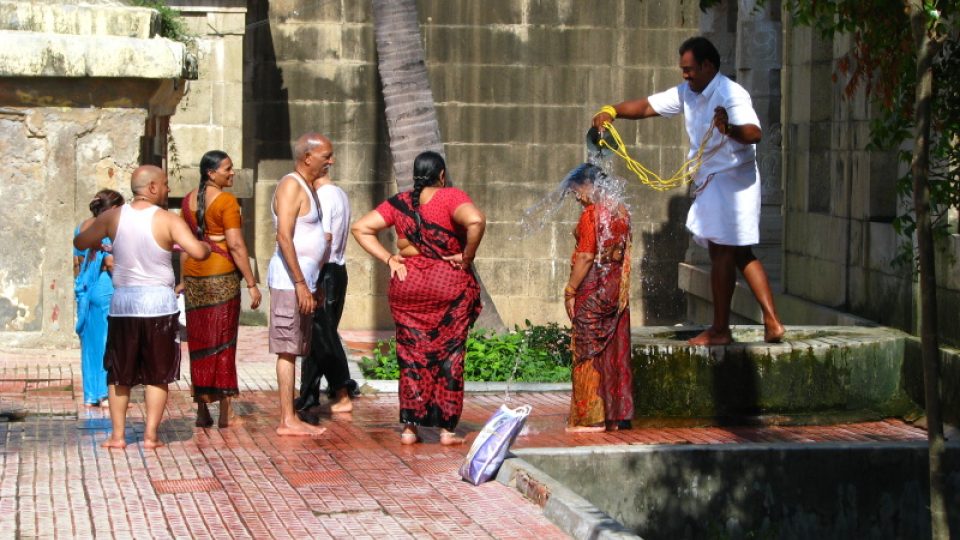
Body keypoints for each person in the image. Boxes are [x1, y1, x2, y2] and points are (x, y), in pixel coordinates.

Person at [592, 36, 785, 346]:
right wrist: (611, 111)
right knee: (739, 253)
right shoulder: (687, 93)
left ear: (708, 66)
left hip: (733, 180)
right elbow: (646, 107)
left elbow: (755, 133)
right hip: (712, 179)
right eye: (683, 70)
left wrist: (729, 129)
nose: (685, 75)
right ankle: (772, 322)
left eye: (690, 69)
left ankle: (721, 330)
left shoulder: (730, 93)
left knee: (723, 250)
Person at [352, 151, 485, 446]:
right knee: (449, 356)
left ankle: (410, 429)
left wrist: (389, 259)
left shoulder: (399, 202)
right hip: (446, 286)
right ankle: (446, 430)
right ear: (441, 175)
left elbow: (360, 227)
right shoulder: (450, 197)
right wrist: (466, 257)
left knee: (411, 356)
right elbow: (476, 221)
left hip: (407, 284)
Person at [74, 165, 210, 449]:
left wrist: (103, 238)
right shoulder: (167, 219)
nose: (168, 190)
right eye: (165, 185)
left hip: (123, 304)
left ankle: (118, 436)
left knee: (119, 374)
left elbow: (81, 240)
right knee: (157, 375)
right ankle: (150, 436)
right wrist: (208, 247)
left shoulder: (113, 217)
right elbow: (197, 252)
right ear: (151, 188)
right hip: (159, 305)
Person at [179, 150, 262, 428]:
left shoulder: (188, 200)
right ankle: (226, 411)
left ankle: (202, 410)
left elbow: (184, 245)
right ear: (211, 173)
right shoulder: (227, 201)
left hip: (194, 276)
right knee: (224, 342)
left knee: (200, 343)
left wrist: (182, 278)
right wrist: (251, 283)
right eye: (227, 169)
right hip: (221, 276)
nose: (232, 173)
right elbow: (236, 245)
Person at [561, 164, 635, 432]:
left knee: (586, 348)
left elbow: (585, 256)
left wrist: (570, 290)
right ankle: (615, 416)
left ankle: (591, 418)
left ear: (590, 186)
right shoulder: (622, 211)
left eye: (578, 191)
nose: (578, 198)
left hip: (593, 286)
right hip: (616, 288)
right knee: (614, 349)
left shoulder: (592, 214)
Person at [267, 132, 331, 437]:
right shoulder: (291, 184)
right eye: (325, 156)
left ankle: (290, 416)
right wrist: (300, 284)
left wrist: (313, 283)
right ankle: (286, 419)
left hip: (305, 281)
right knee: (287, 349)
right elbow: (284, 237)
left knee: (296, 347)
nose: (330, 161)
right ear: (308, 157)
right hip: (289, 282)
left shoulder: (309, 187)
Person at [294, 145, 357, 417]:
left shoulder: (323, 196)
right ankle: (308, 395)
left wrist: (310, 276)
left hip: (325, 271)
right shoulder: (339, 194)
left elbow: (326, 237)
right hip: (335, 271)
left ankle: (342, 389)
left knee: (323, 336)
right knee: (317, 337)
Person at [74, 189, 125, 407]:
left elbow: (76, 263)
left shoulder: (82, 227)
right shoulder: (106, 228)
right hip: (104, 287)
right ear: (112, 209)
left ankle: (90, 394)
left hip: (85, 289)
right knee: (107, 341)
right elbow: (111, 263)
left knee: (90, 343)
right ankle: (105, 394)